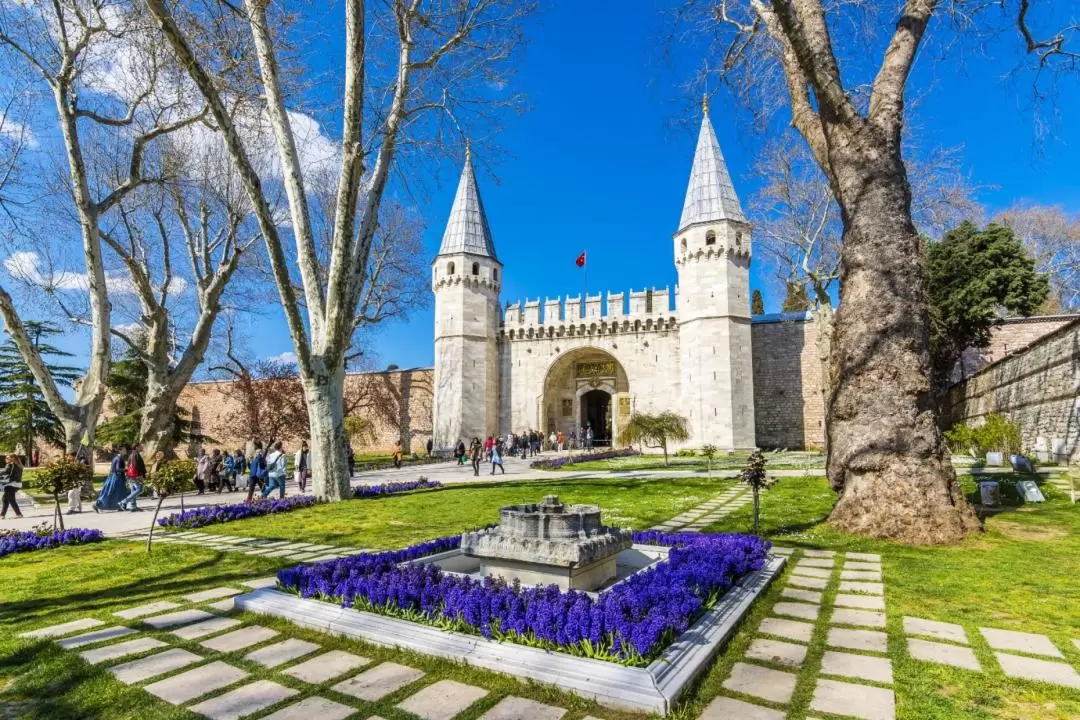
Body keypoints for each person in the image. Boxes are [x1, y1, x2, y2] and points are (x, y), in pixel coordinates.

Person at [94, 446, 129, 512]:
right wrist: (127, 470)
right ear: (120, 450)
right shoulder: (119, 458)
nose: (126, 450)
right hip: (117, 477)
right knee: (114, 492)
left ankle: (119, 506)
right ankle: (97, 505)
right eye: (124, 449)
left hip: (113, 476)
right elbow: (117, 469)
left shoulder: (116, 458)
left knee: (112, 492)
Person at [120, 444, 146, 511]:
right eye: (141, 447)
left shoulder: (132, 455)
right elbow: (137, 466)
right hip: (135, 476)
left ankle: (133, 506)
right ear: (137, 447)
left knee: (133, 490)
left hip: (130, 475)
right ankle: (124, 502)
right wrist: (141, 475)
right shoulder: (135, 455)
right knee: (140, 489)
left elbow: (128, 465)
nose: (142, 448)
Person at [0, 454, 24, 519]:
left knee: (11, 500)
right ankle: (2, 515)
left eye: (7, 458)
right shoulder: (18, 465)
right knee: (5, 499)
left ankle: (19, 514)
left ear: (12, 459)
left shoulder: (10, 465)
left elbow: (5, 472)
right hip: (17, 484)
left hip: (10, 485)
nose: (5, 459)